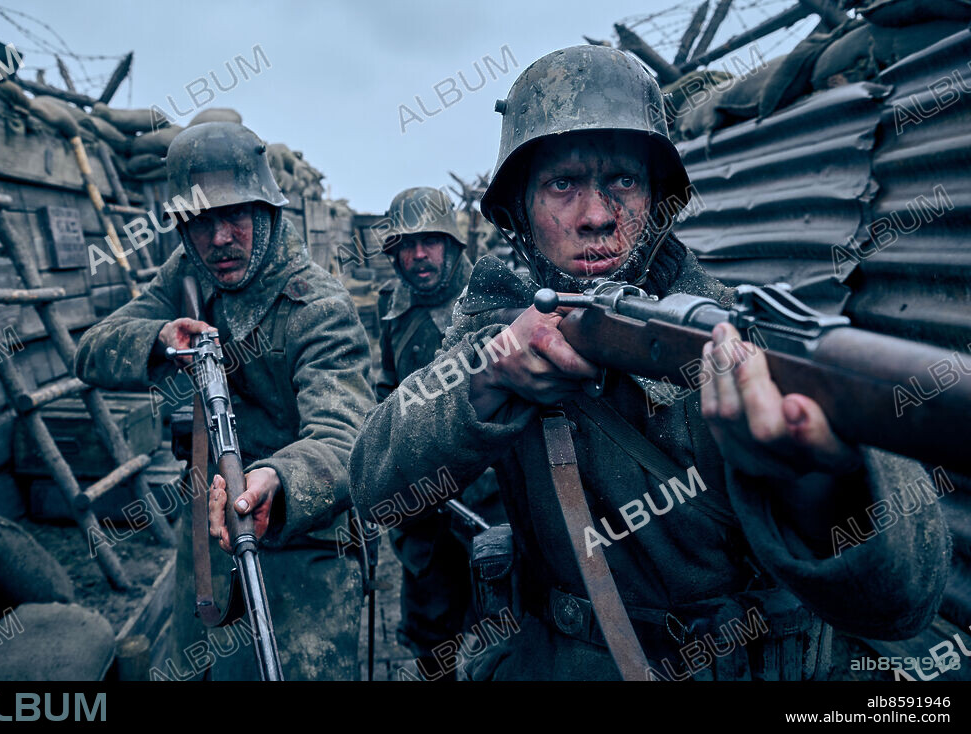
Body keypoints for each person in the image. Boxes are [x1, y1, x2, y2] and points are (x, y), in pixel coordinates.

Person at [349, 46, 950, 681]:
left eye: (623, 182)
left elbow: (906, 601)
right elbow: (373, 484)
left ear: (658, 197)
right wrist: (485, 384)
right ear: (518, 209)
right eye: (563, 184)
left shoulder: (725, 334)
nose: (597, 216)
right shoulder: (495, 326)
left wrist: (820, 483)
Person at [75, 122, 375, 680]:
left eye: (235, 215)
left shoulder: (318, 307)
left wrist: (275, 481)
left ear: (267, 212)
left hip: (300, 538)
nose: (219, 239)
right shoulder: (187, 275)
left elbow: (346, 436)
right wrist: (160, 338)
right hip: (207, 541)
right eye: (200, 222)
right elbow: (89, 352)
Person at [375, 187, 503, 680]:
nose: (419, 255)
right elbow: (387, 384)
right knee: (430, 633)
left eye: (430, 241)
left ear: (452, 245)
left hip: (491, 502)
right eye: (406, 245)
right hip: (422, 509)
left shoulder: (489, 300)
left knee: (506, 626)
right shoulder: (392, 308)